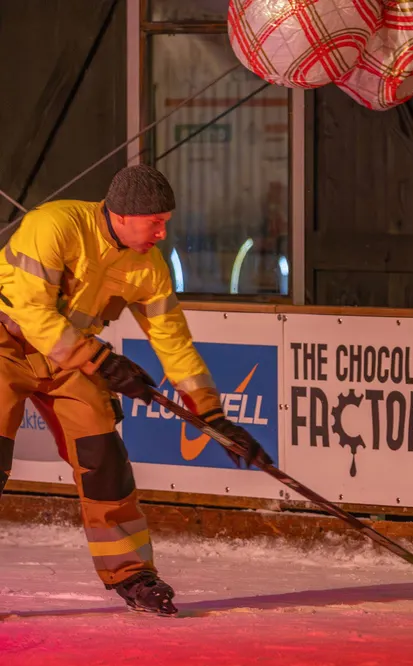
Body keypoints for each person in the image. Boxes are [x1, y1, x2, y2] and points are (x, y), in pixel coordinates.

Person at [0, 164, 272, 616]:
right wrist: (103, 361)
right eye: (156, 222)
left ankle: (132, 574)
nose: (162, 233)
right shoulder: (53, 225)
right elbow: (31, 312)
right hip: (6, 344)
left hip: (70, 359)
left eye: (166, 221)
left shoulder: (147, 265)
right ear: (122, 215)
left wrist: (212, 414)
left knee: (105, 462)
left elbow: (174, 340)